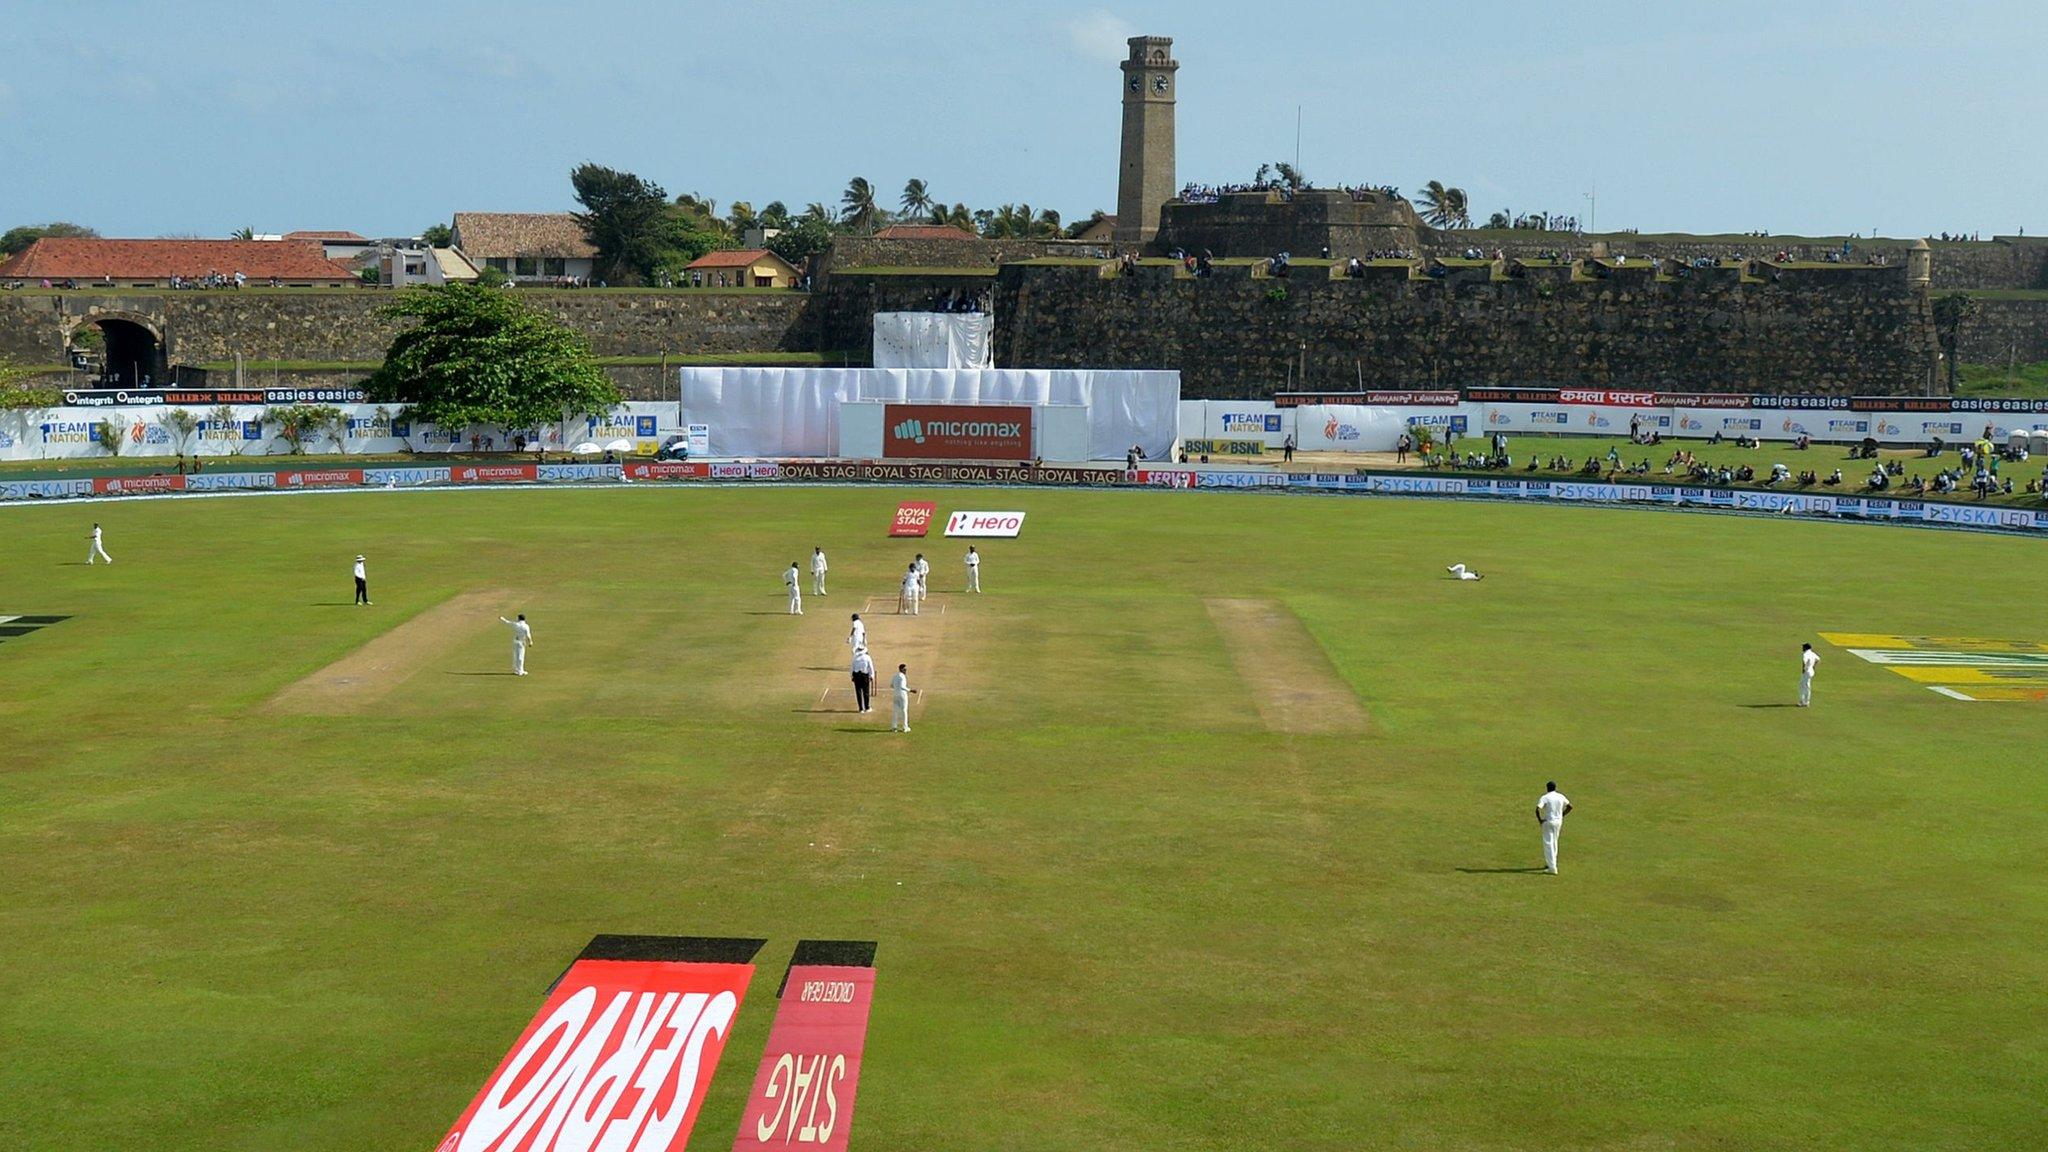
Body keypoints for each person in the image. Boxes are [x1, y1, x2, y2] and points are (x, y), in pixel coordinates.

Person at [1536, 781, 1572, 875]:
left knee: (1548, 843)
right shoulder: (1561, 796)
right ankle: (1551, 863)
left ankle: (1552, 868)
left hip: (1549, 822)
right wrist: (1562, 815)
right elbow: (1570, 807)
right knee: (1554, 842)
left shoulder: (1545, 797)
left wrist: (1540, 820)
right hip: (1558, 822)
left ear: (1547, 788)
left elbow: (1538, 809)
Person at [890, 662, 919, 732]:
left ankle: (894, 727)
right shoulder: (902, 676)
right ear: (901, 669)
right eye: (904, 669)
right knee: (904, 710)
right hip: (902, 695)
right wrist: (910, 690)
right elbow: (902, 686)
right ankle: (905, 727)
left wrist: (896, 688)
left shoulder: (895, 676)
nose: (906, 671)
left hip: (895, 694)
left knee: (895, 711)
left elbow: (891, 685)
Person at [850, 646, 875, 713]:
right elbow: (870, 667)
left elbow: (851, 668)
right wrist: (872, 676)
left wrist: (851, 676)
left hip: (856, 676)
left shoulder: (855, 657)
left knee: (858, 692)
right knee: (866, 692)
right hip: (864, 676)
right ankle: (867, 707)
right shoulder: (867, 657)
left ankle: (860, 708)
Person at [1799, 642, 1819, 707]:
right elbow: (1818, 659)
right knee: (1804, 685)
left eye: (1803, 647)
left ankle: (1804, 702)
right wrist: (1813, 666)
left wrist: (1803, 669)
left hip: (1806, 672)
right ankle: (1804, 701)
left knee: (1805, 686)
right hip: (1811, 671)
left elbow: (1804, 662)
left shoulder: (1805, 654)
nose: (1802, 648)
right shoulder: (1813, 653)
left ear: (1806, 648)